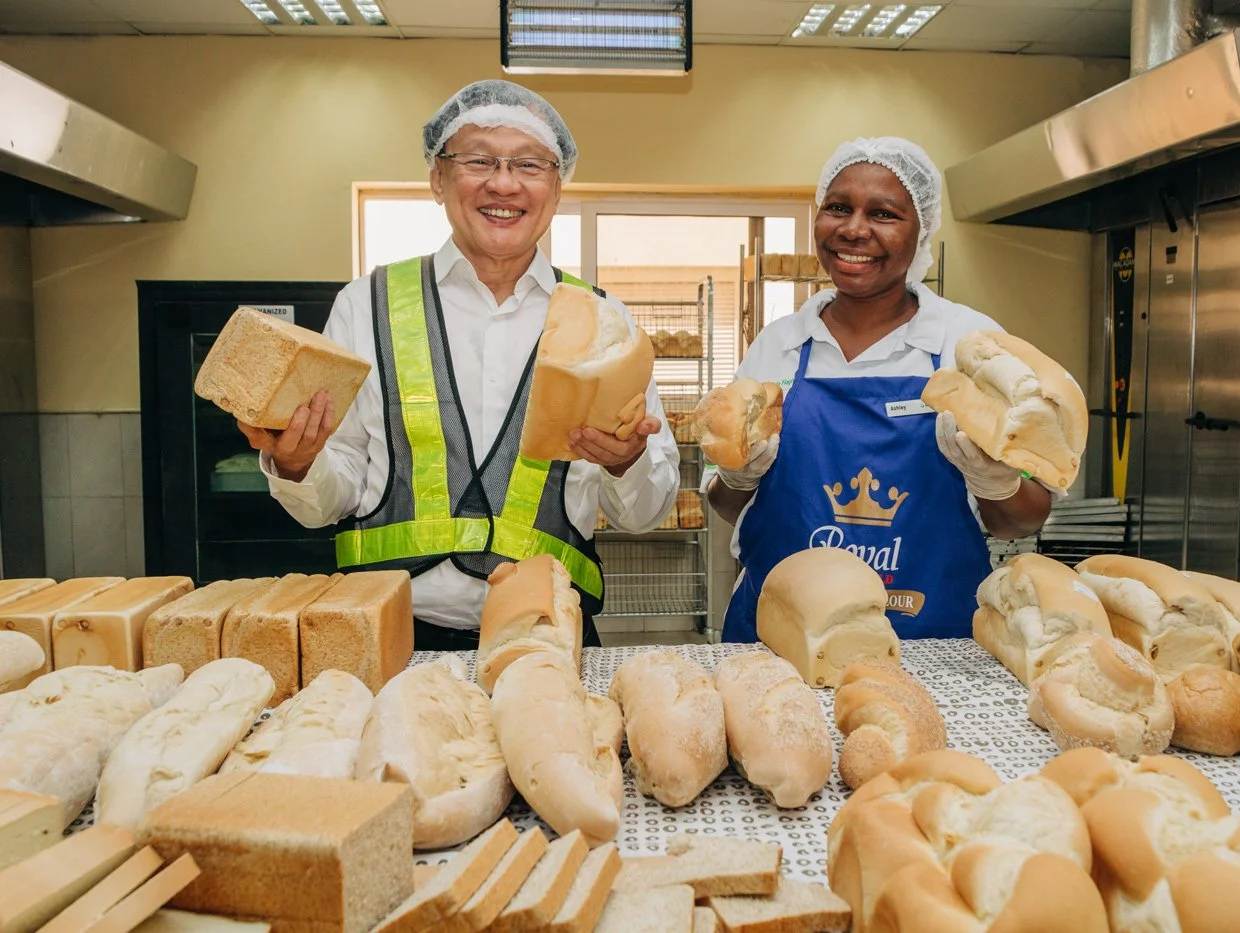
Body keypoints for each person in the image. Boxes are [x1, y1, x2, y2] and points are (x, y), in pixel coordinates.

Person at [238, 80, 680, 650]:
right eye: (478, 160)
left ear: (556, 186)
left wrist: (626, 465)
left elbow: (645, 513)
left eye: (529, 163)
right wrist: (298, 465)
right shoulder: (365, 306)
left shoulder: (605, 323)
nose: (504, 182)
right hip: (386, 638)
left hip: (549, 638)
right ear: (437, 180)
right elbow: (334, 492)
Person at [707, 137, 1051, 642]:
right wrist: (736, 480)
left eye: (884, 214)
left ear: (922, 231)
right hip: (781, 639)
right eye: (838, 208)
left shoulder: (969, 344)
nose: (853, 229)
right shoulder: (778, 344)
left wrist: (996, 482)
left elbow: (1023, 520)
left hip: (929, 647)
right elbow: (729, 504)